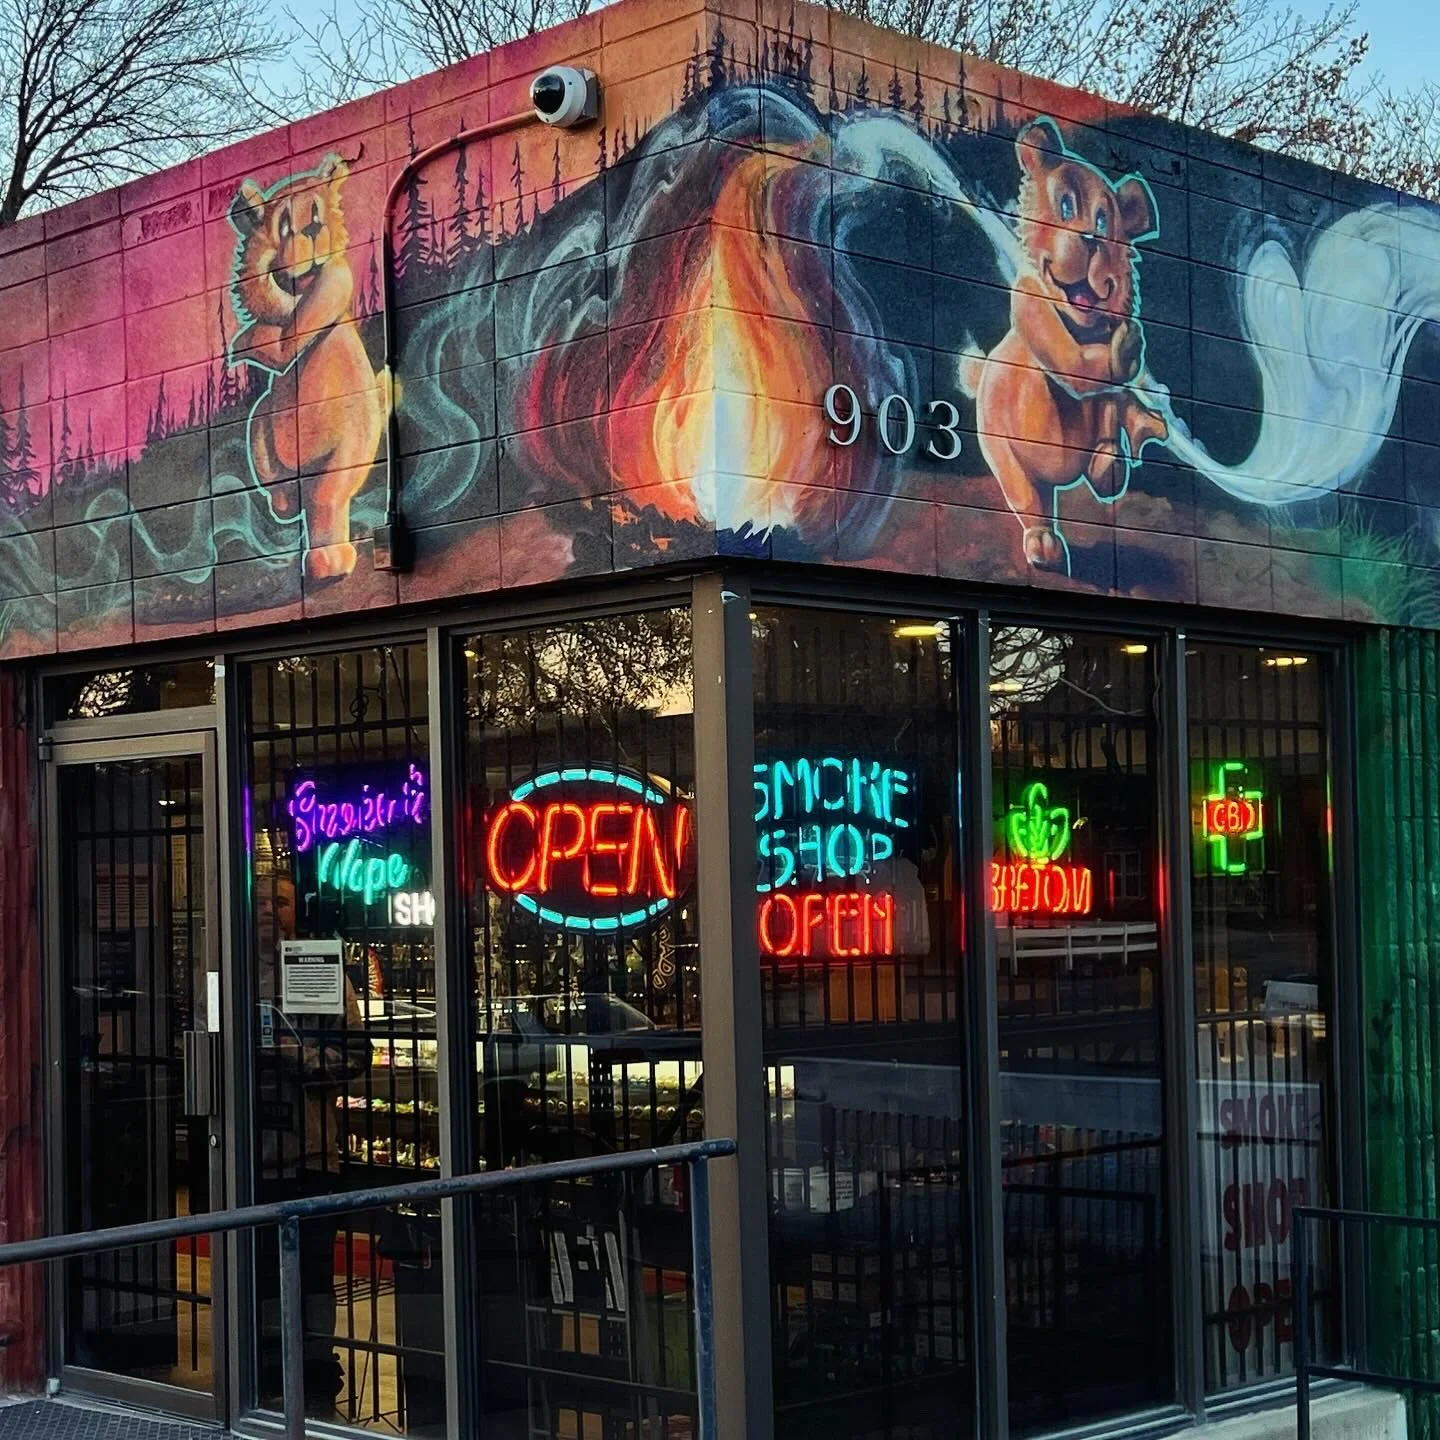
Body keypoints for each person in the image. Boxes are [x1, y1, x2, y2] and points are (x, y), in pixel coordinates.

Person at [255, 875, 371, 1418]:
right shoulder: (241, 976)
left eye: (280, 901)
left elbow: (356, 1057)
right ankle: (269, 1363)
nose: (271, 913)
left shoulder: (326, 973)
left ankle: (318, 1369)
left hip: (313, 1151)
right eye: (263, 903)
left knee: (316, 1273)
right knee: (261, 1272)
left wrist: (294, 1058)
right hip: (255, 1156)